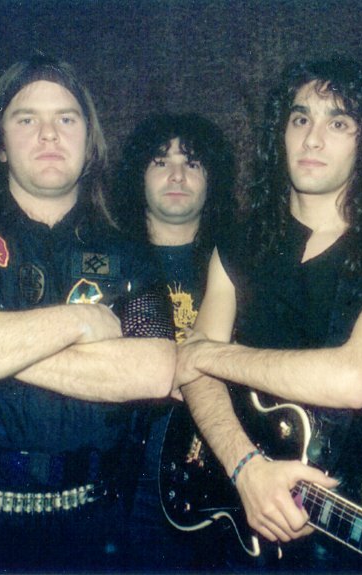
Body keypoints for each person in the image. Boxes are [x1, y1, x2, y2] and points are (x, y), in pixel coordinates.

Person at [0, 55, 176, 572]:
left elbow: (153, 371)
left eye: (66, 118)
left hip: (90, 530)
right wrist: (77, 323)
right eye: (26, 119)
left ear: (89, 142)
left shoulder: (131, 253)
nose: (49, 134)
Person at [173, 56, 362, 571]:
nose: (313, 139)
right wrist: (245, 467)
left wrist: (211, 355)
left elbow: (352, 380)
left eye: (338, 123)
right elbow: (192, 375)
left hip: (330, 521)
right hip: (228, 499)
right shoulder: (240, 241)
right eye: (300, 119)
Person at [109, 112, 236, 570]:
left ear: (213, 178)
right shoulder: (106, 256)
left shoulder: (241, 263)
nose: (177, 176)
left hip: (215, 476)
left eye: (193, 163)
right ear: (137, 175)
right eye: (161, 162)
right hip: (122, 472)